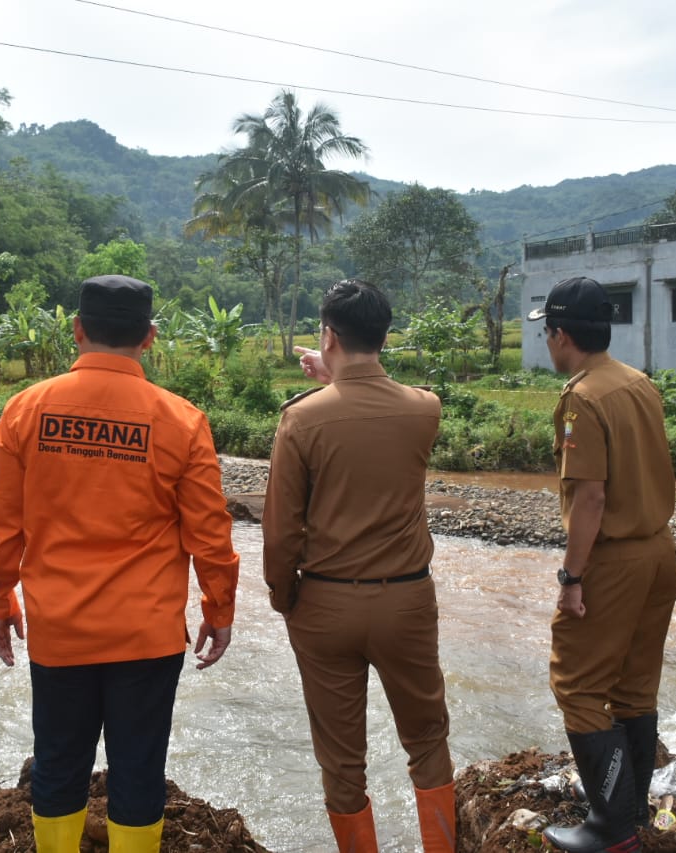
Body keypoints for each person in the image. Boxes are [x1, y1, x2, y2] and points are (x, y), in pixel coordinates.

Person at [0, 274, 240, 853]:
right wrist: (219, 608)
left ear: (77, 331)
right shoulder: (181, 420)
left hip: (60, 629)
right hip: (145, 635)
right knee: (139, 771)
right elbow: (209, 535)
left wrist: (0, 600)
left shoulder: (26, 411)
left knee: (58, 766)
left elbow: (1, 524)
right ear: (148, 338)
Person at [264, 279, 455, 853]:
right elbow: (375, 410)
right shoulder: (425, 408)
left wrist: (283, 597)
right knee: (426, 739)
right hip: (406, 602)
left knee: (342, 757)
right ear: (386, 335)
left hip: (323, 603)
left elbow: (281, 529)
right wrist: (337, 379)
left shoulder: (300, 420)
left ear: (328, 335)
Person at [527, 276, 676, 853]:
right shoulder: (639, 382)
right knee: (635, 687)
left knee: (579, 685)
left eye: (548, 333)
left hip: (613, 560)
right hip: (659, 553)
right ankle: (635, 812)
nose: (548, 343)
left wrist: (571, 577)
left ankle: (611, 828)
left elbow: (590, 497)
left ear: (562, 334)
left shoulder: (582, 398)